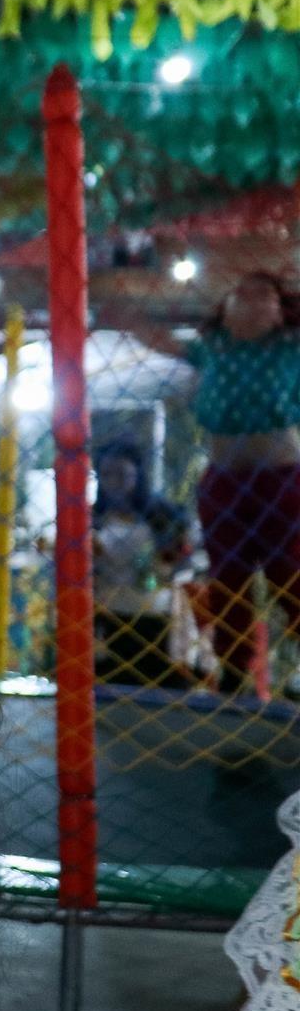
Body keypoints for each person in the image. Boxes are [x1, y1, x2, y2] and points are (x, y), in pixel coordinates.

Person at [116, 273, 300, 697]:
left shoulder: (289, 348)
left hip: (280, 478)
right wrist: (129, 320)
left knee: (288, 571)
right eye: (241, 293)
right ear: (225, 311)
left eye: (263, 294)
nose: (250, 300)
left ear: (279, 312)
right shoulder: (213, 348)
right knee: (228, 575)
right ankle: (234, 671)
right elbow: (165, 343)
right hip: (224, 479)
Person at [92, 442, 198, 687]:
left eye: (122, 475)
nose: (113, 483)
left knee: (158, 687)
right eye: (106, 475)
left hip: (155, 615)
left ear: (137, 475)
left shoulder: (162, 513)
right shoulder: (95, 515)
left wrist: (168, 561)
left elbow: (184, 557)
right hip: (109, 614)